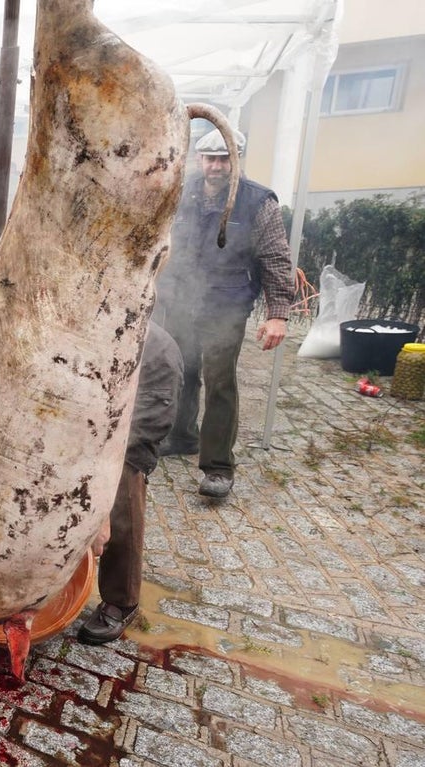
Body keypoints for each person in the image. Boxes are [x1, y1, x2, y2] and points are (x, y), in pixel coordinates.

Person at [154, 128, 293, 499]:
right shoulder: (182, 194)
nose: (216, 166)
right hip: (182, 298)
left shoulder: (258, 202)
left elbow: (277, 259)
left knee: (219, 382)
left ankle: (217, 467)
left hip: (226, 305)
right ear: (199, 159)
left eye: (224, 158)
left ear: (237, 158)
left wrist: (277, 313)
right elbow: (159, 242)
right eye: (210, 158)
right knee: (180, 372)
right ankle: (181, 436)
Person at [77, 321, 183, 645]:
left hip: (148, 376)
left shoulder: (156, 354)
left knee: (123, 477)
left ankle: (122, 599)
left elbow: (116, 442)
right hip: (94, 380)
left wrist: (102, 509)